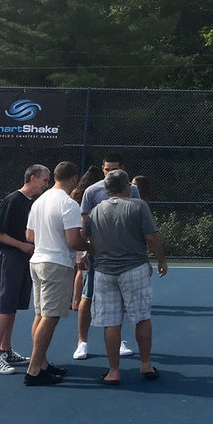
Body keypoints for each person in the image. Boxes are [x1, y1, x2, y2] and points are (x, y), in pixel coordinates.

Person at [87, 169, 167, 384]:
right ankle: (146, 364)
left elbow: (90, 241)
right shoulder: (139, 206)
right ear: (126, 187)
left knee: (111, 321)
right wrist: (161, 259)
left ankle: (113, 371)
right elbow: (150, 236)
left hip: (104, 271)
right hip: (134, 268)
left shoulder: (95, 211)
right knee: (141, 316)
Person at [24, 161, 88, 385]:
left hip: (37, 261)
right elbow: (73, 240)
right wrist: (90, 245)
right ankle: (34, 370)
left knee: (41, 314)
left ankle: (41, 363)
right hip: (56, 263)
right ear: (73, 179)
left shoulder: (39, 201)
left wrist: (48, 235)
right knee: (50, 317)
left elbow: (29, 235)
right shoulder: (68, 204)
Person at [73, 153, 140, 360]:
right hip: (96, 253)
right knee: (87, 296)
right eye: (107, 169)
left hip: (123, 255)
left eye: (114, 169)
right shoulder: (92, 191)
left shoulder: (132, 190)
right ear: (102, 168)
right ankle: (82, 342)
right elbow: (84, 223)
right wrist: (84, 250)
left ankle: (117, 340)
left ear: (122, 169)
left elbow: (136, 218)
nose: (110, 172)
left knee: (117, 299)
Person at [0, 164, 51, 374]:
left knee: (12, 306)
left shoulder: (32, 202)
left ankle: (6, 349)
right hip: (10, 258)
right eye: (44, 180)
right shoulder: (13, 200)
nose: (46, 184)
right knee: (5, 306)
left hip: (23, 260)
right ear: (32, 178)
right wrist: (22, 245)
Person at [70, 165, 103, 310]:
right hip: (85, 233)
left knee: (77, 268)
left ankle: (73, 299)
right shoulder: (94, 192)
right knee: (82, 269)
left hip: (75, 231)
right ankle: (77, 300)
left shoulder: (76, 192)